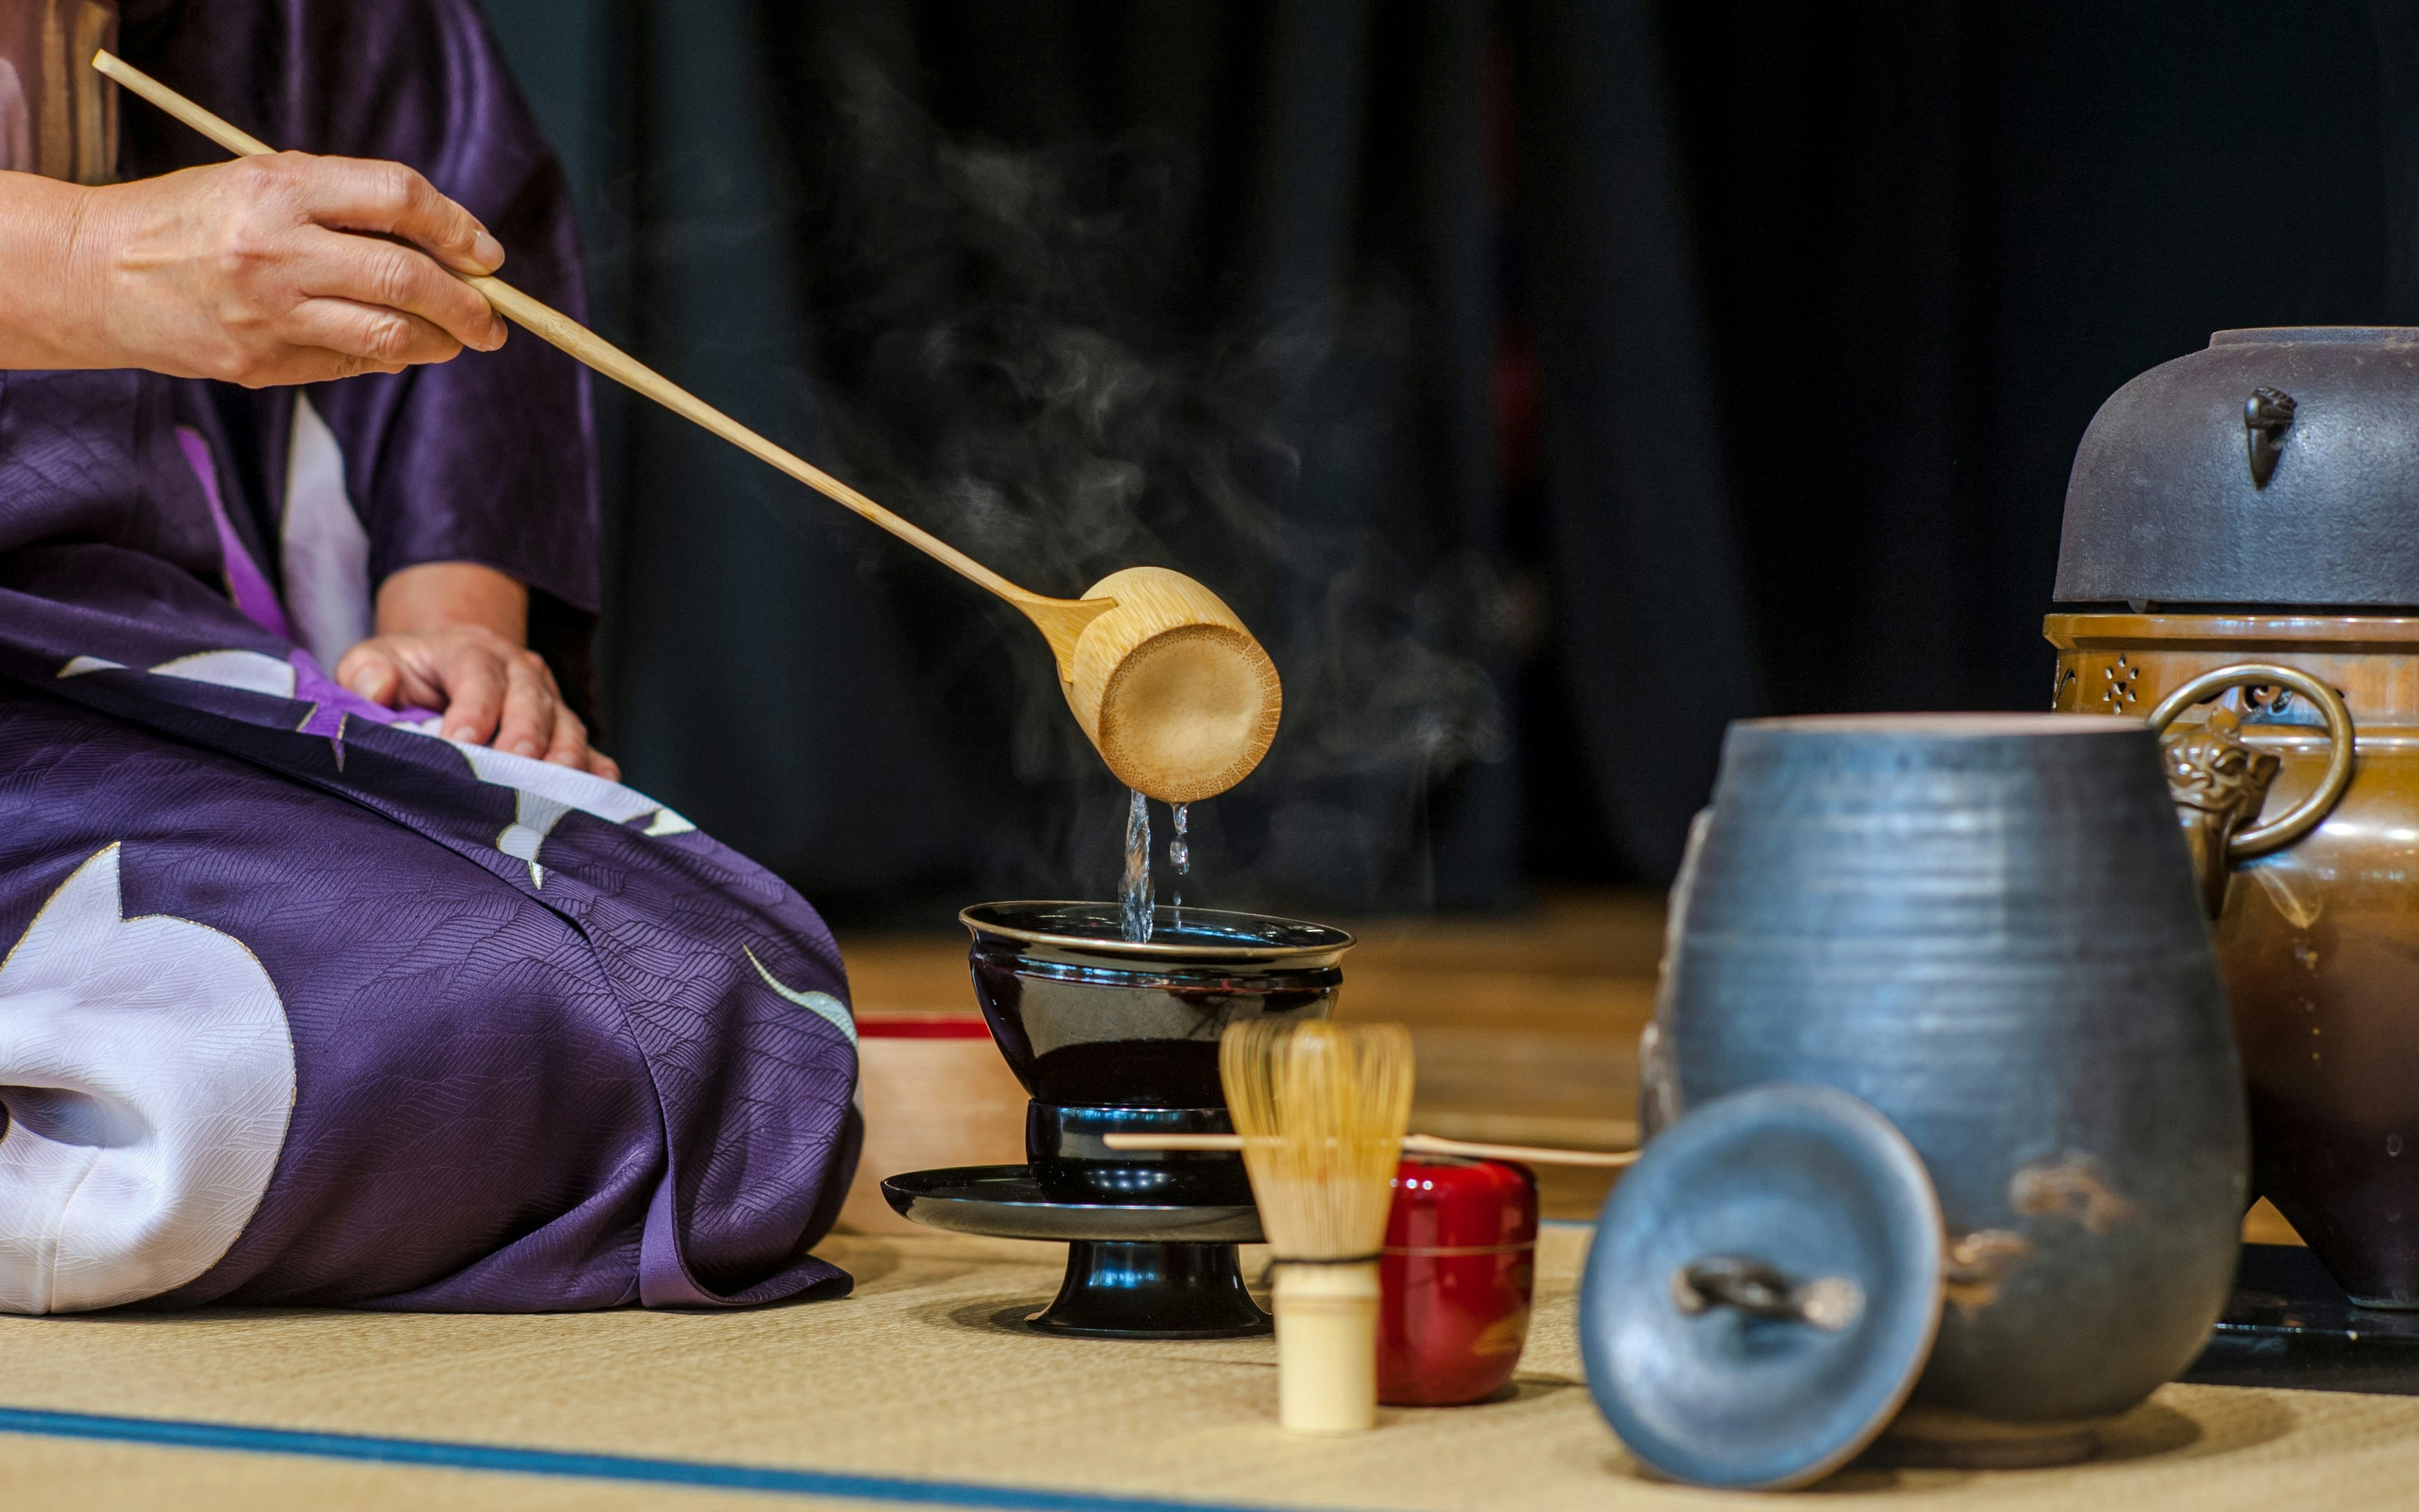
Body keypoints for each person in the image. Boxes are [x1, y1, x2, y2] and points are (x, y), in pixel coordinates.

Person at [0, 0, 859, 1312]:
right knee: (290, 1043)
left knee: (716, 994)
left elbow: (435, 225)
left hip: (100, 647)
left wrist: (451, 633)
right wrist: (75, 260)